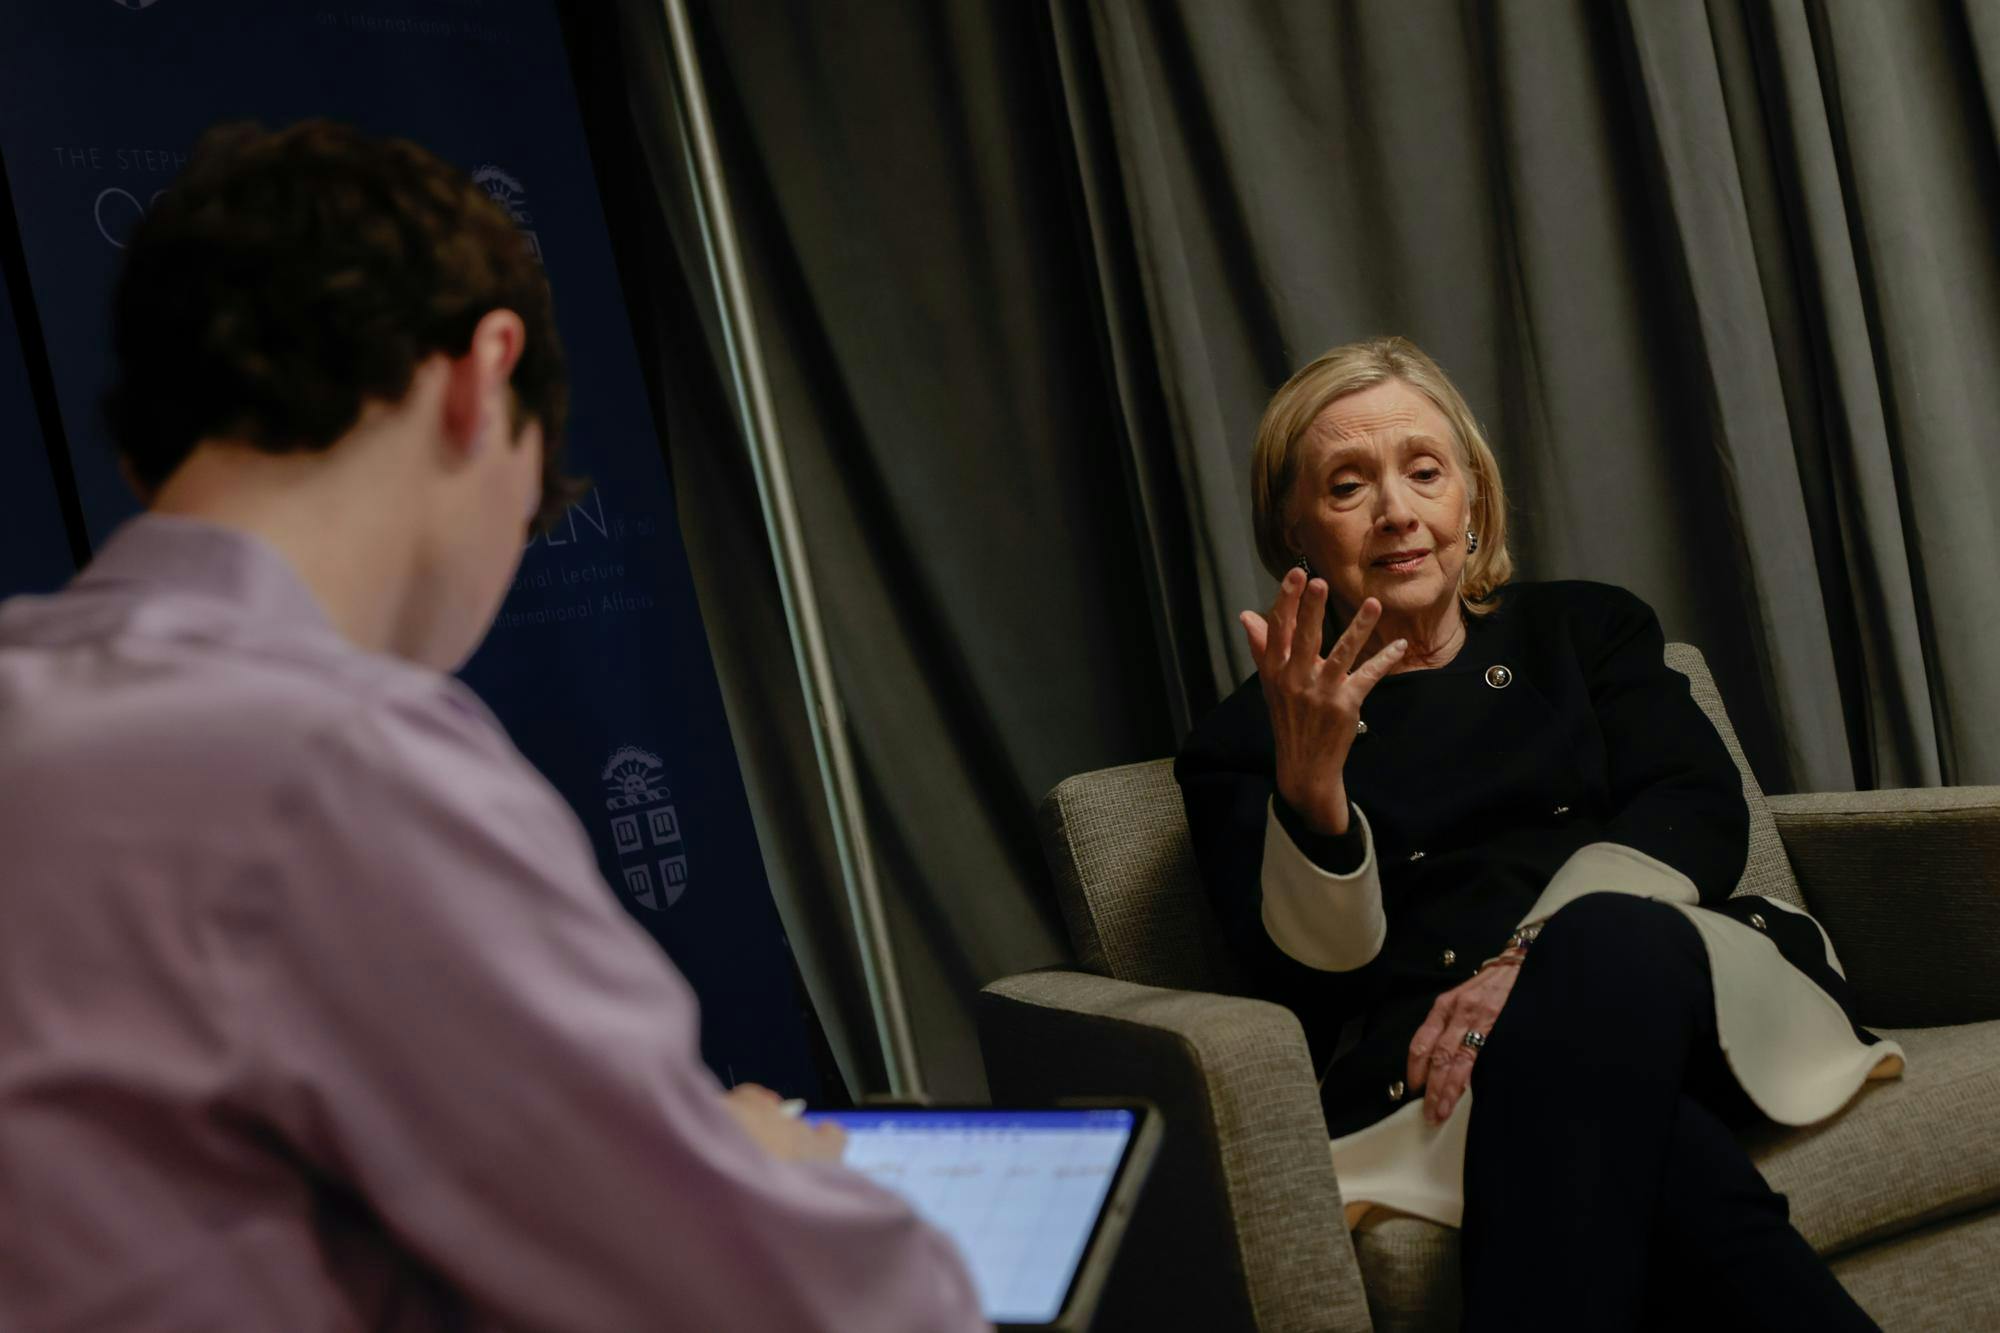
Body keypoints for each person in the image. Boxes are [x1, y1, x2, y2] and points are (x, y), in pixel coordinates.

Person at [0, 120, 984, 1332]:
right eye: (534, 491)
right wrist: (772, 1180)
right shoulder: (339, 758)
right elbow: (797, 1305)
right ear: (482, 372)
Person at [1175, 336, 1902, 1330]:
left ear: (1471, 496)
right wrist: (1309, 790)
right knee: (1656, 1151)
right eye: (1347, 485)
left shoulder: (1587, 631)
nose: (1397, 510)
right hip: (1444, 1070)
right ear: (1293, 529)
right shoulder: (1243, 740)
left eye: (1424, 471)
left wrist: (1528, 960)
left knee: (1600, 942)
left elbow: (1696, 806)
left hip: (1687, 986)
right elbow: (1309, 985)